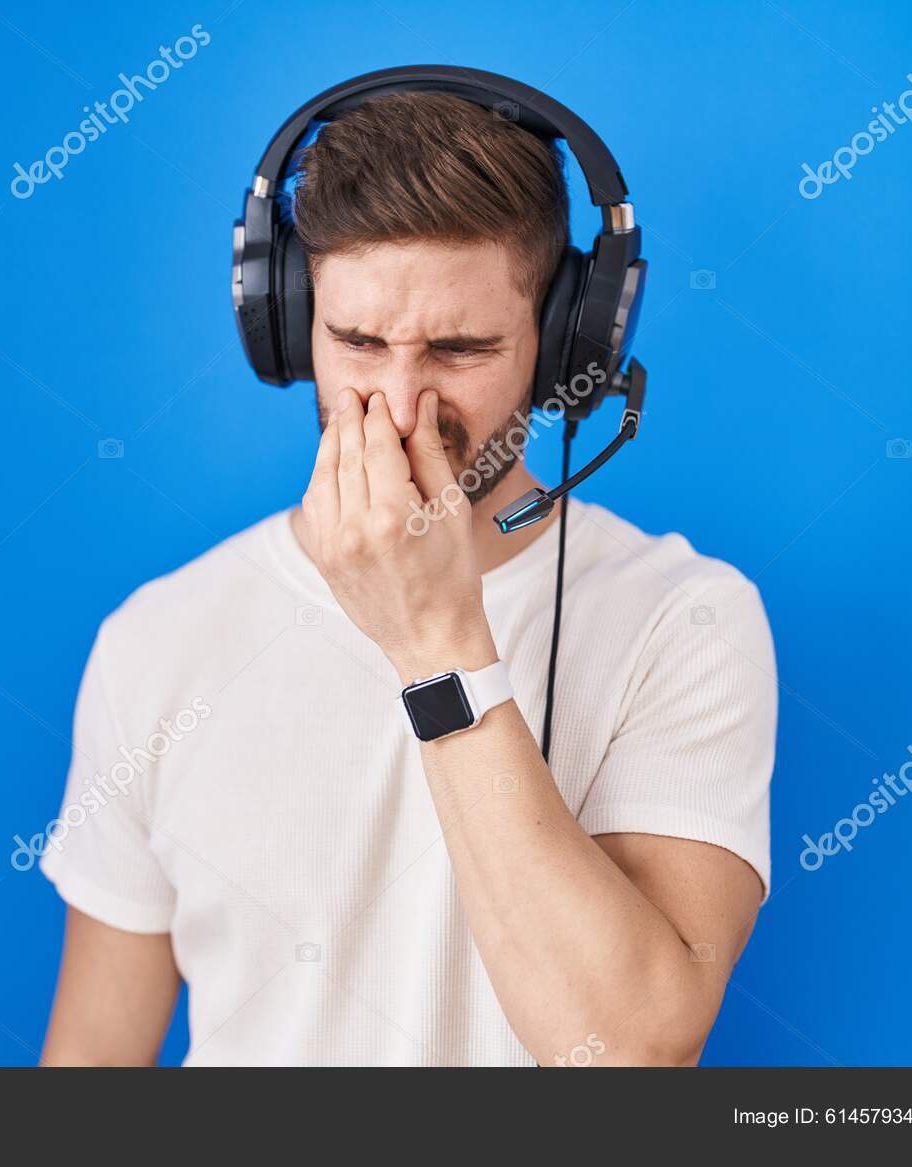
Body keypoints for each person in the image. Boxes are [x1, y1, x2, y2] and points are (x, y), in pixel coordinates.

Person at [38, 82, 777, 1067]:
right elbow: (90, 1066)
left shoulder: (684, 620)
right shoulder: (161, 634)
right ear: (287, 324)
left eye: (461, 349)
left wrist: (435, 643)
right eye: (355, 343)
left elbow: (631, 1051)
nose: (397, 403)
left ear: (567, 349)